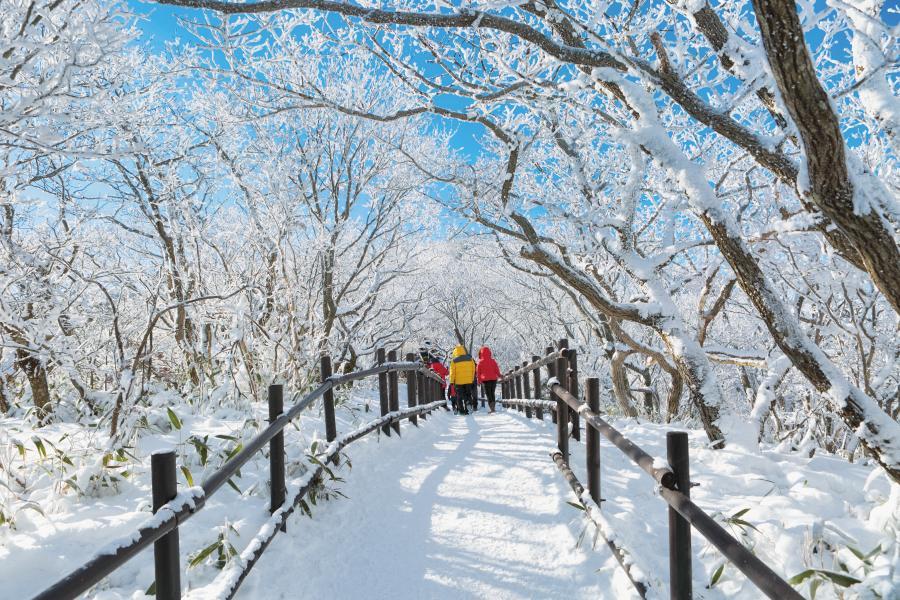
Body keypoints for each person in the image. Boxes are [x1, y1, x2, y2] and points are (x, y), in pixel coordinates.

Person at [449, 344, 477, 415]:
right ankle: (468, 404)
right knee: (468, 394)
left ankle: (462, 411)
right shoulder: (470, 359)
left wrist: (452, 382)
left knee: (459, 396)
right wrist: (472, 378)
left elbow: (452, 372)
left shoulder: (454, 361)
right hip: (468, 380)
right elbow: (473, 369)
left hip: (458, 382)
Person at [476, 346, 501, 413]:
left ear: (481, 353)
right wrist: (500, 376)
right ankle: (493, 408)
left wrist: (478, 381)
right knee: (492, 393)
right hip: (493, 380)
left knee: (488, 394)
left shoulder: (480, 363)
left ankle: (492, 409)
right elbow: (497, 370)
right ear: (489, 353)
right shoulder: (493, 361)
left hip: (485, 381)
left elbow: (478, 373)